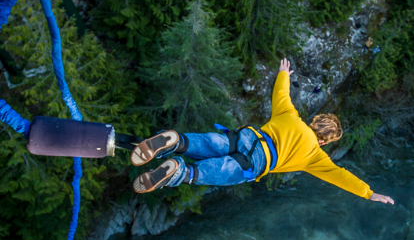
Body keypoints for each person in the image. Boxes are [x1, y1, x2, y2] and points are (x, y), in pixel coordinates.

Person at [131, 58, 394, 205]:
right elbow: (340, 176)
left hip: (247, 137)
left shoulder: (289, 115)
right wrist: (369, 193)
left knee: (211, 143)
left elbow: (281, 93)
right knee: (209, 172)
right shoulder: (315, 156)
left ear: (314, 121)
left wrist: (284, 74)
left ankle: (176, 140)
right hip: (257, 162)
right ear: (324, 141)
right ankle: (179, 171)